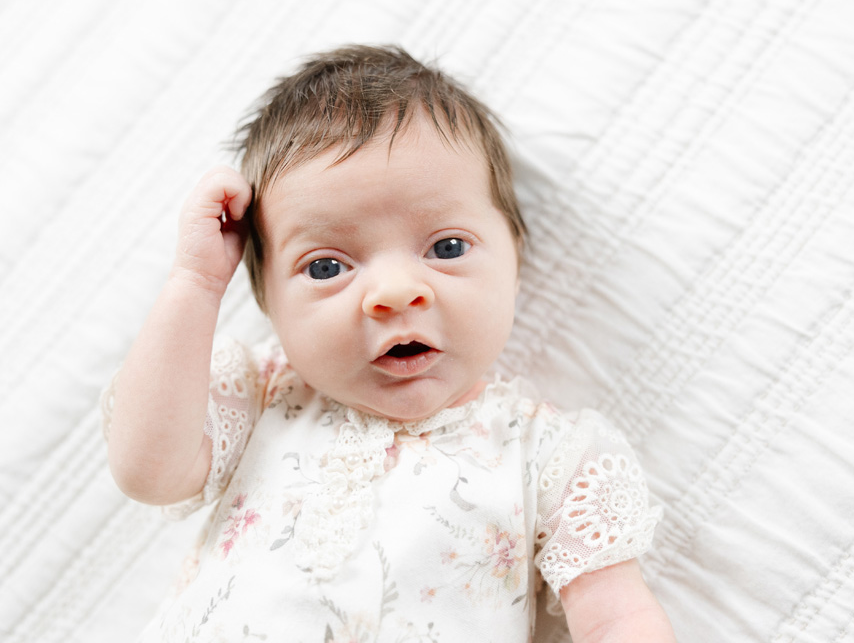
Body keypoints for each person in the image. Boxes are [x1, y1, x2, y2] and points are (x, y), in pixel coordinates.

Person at [102, 44, 677, 642]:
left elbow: (617, 619)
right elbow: (147, 471)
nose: (395, 293)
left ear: (515, 262)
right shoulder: (262, 398)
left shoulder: (549, 455)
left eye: (446, 248)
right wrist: (196, 284)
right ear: (269, 304)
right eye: (327, 266)